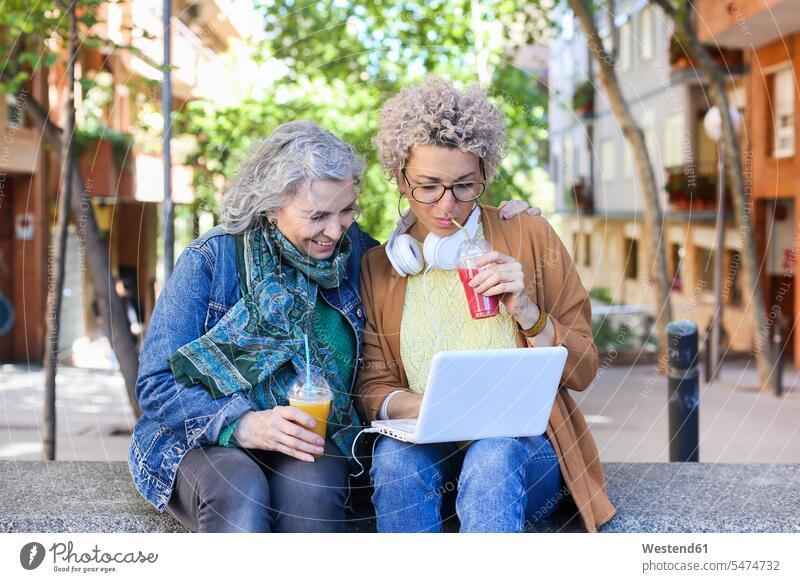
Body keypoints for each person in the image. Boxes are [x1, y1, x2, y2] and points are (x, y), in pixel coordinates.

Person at [128, 120, 538, 533]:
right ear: (271, 206)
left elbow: (435, 252)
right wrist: (246, 424)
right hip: (204, 436)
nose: (335, 230)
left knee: (315, 490)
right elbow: (156, 384)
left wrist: (510, 224)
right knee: (241, 486)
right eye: (317, 215)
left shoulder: (360, 253)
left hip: (312, 437)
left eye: (346, 211)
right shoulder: (211, 260)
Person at [356, 77, 617, 533]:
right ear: (400, 178)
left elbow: (584, 368)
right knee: (395, 461)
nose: (447, 205)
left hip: (520, 451)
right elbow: (372, 385)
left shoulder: (528, 236)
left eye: (464, 185)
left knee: (493, 453)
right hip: (426, 443)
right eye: (427, 186)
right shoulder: (380, 267)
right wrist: (432, 406)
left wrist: (530, 316)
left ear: (485, 176)